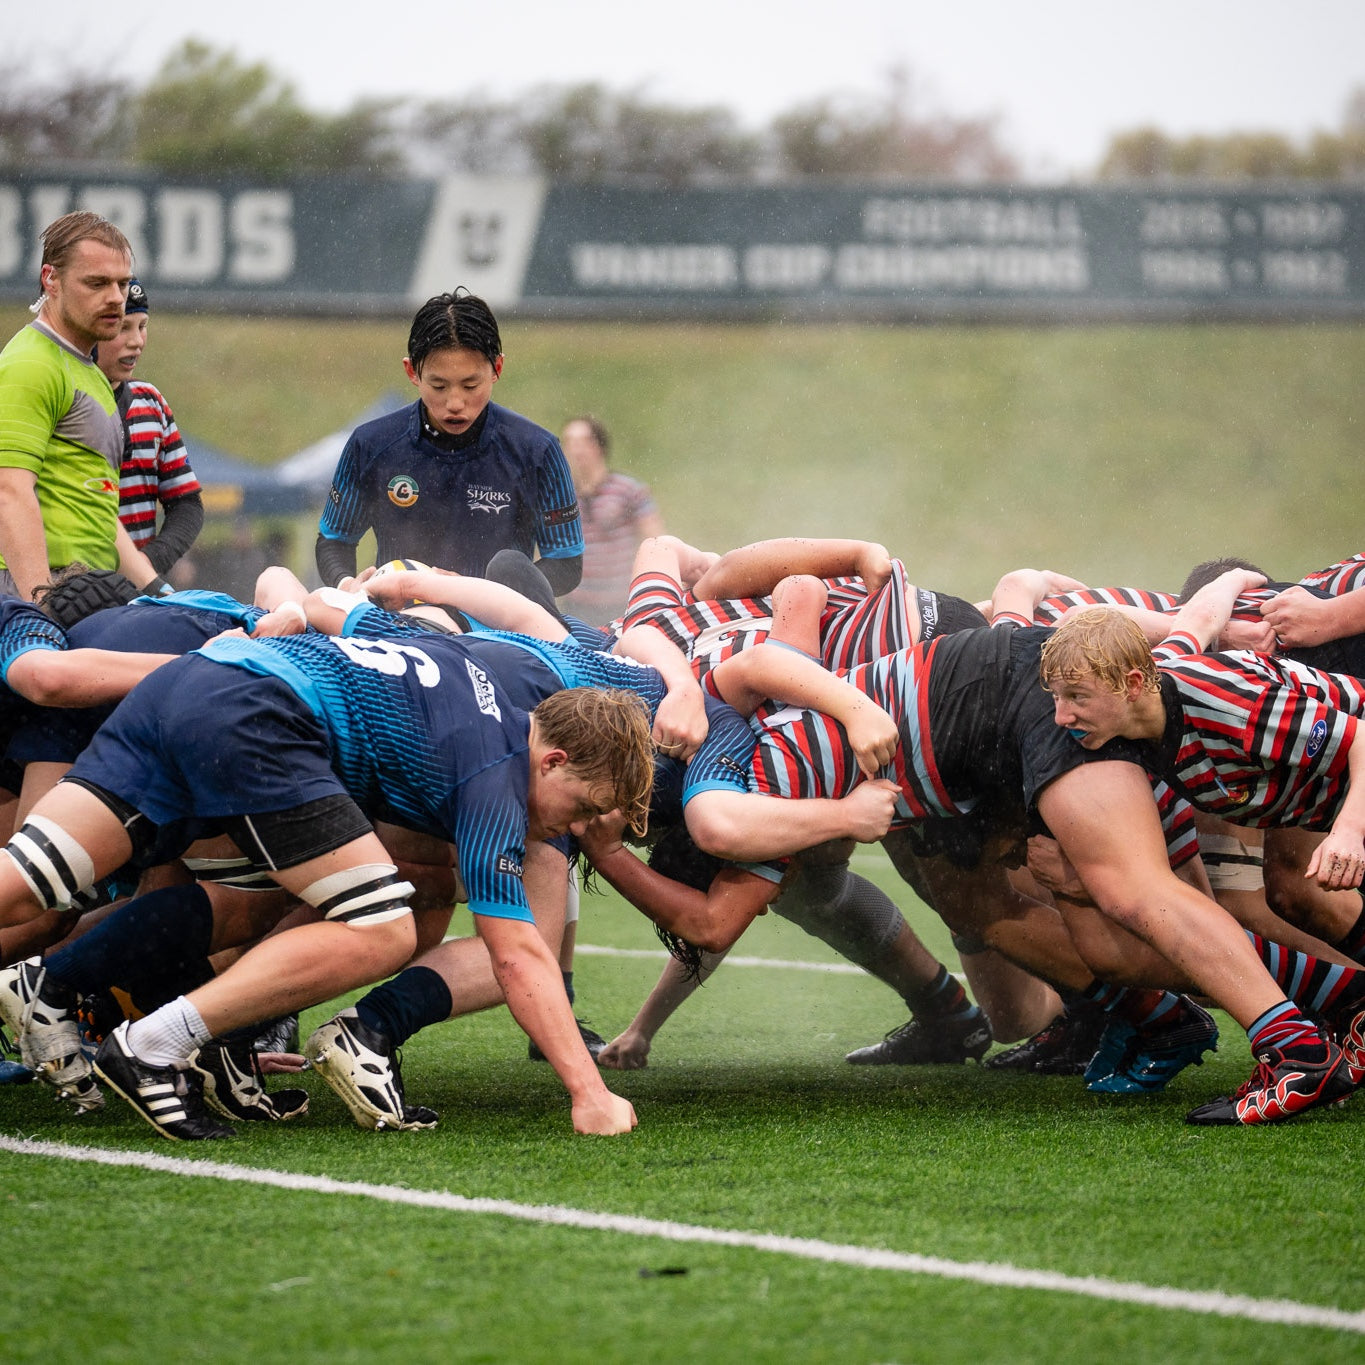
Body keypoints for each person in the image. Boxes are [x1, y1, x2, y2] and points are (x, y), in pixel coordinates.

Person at [315, 289, 583, 594]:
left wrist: (478, 594)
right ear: (412, 371)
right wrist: (346, 584)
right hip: (397, 627)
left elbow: (566, 563)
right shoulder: (371, 444)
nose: (455, 403)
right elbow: (334, 541)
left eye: (470, 385)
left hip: (494, 628)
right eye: (439, 385)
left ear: (497, 368)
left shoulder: (537, 451)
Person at [0, 212, 158, 602]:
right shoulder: (32, 363)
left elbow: (97, 511)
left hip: (88, 591)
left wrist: (157, 590)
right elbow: (8, 491)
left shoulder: (89, 369)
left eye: (122, 283)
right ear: (50, 280)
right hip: (34, 594)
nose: (116, 298)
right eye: (97, 283)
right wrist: (42, 607)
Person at [95, 278, 204, 578]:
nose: (137, 341)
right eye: (123, 327)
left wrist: (147, 563)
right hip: (69, 590)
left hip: (137, 594)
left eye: (142, 326)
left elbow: (187, 505)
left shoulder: (151, 403)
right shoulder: (58, 400)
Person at [557, 415, 664, 626]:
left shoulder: (628, 490)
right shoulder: (560, 495)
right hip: (577, 605)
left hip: (622, 602)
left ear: (599, 446)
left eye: (582, 442)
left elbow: (657, 541)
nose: (575, 450)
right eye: (569, 443)